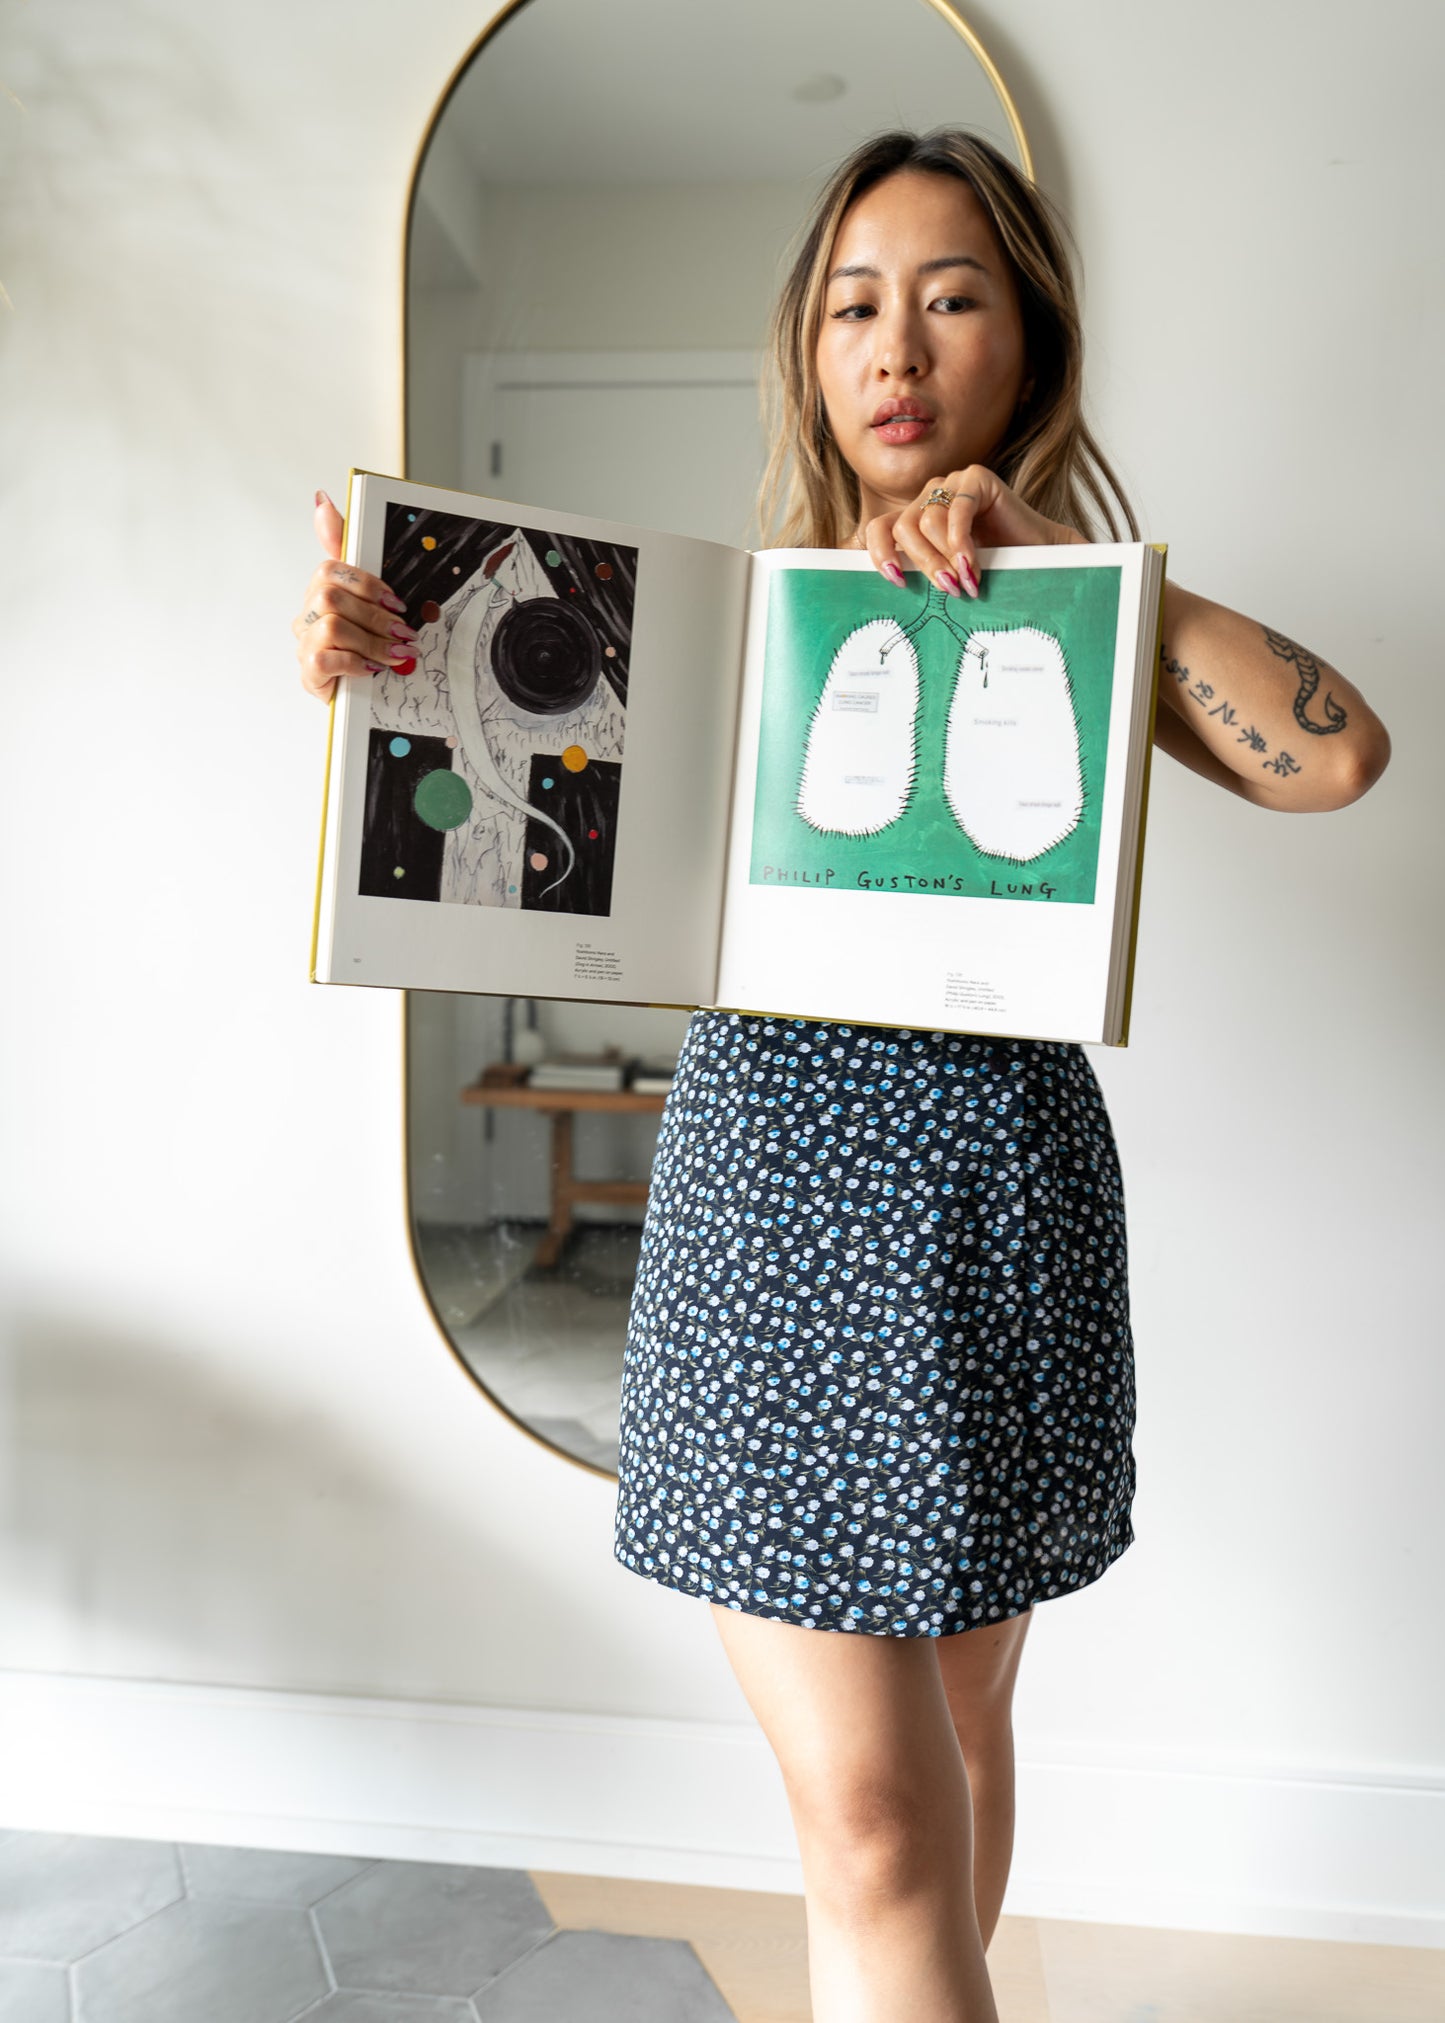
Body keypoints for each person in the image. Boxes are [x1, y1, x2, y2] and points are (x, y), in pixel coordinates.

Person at [294, 128, 1390, 2023]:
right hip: (772, 1213)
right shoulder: (702, 634)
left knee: (957, 1739)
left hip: (996, 1198)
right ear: (808, 353)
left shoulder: (1064, 598)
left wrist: (1069, 575)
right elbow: (493, 860)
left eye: (952, 297)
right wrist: (383, 674)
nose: (898, 345)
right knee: (877, 1826)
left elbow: (1337, 759)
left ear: (1026, 344)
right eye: (853, 304)